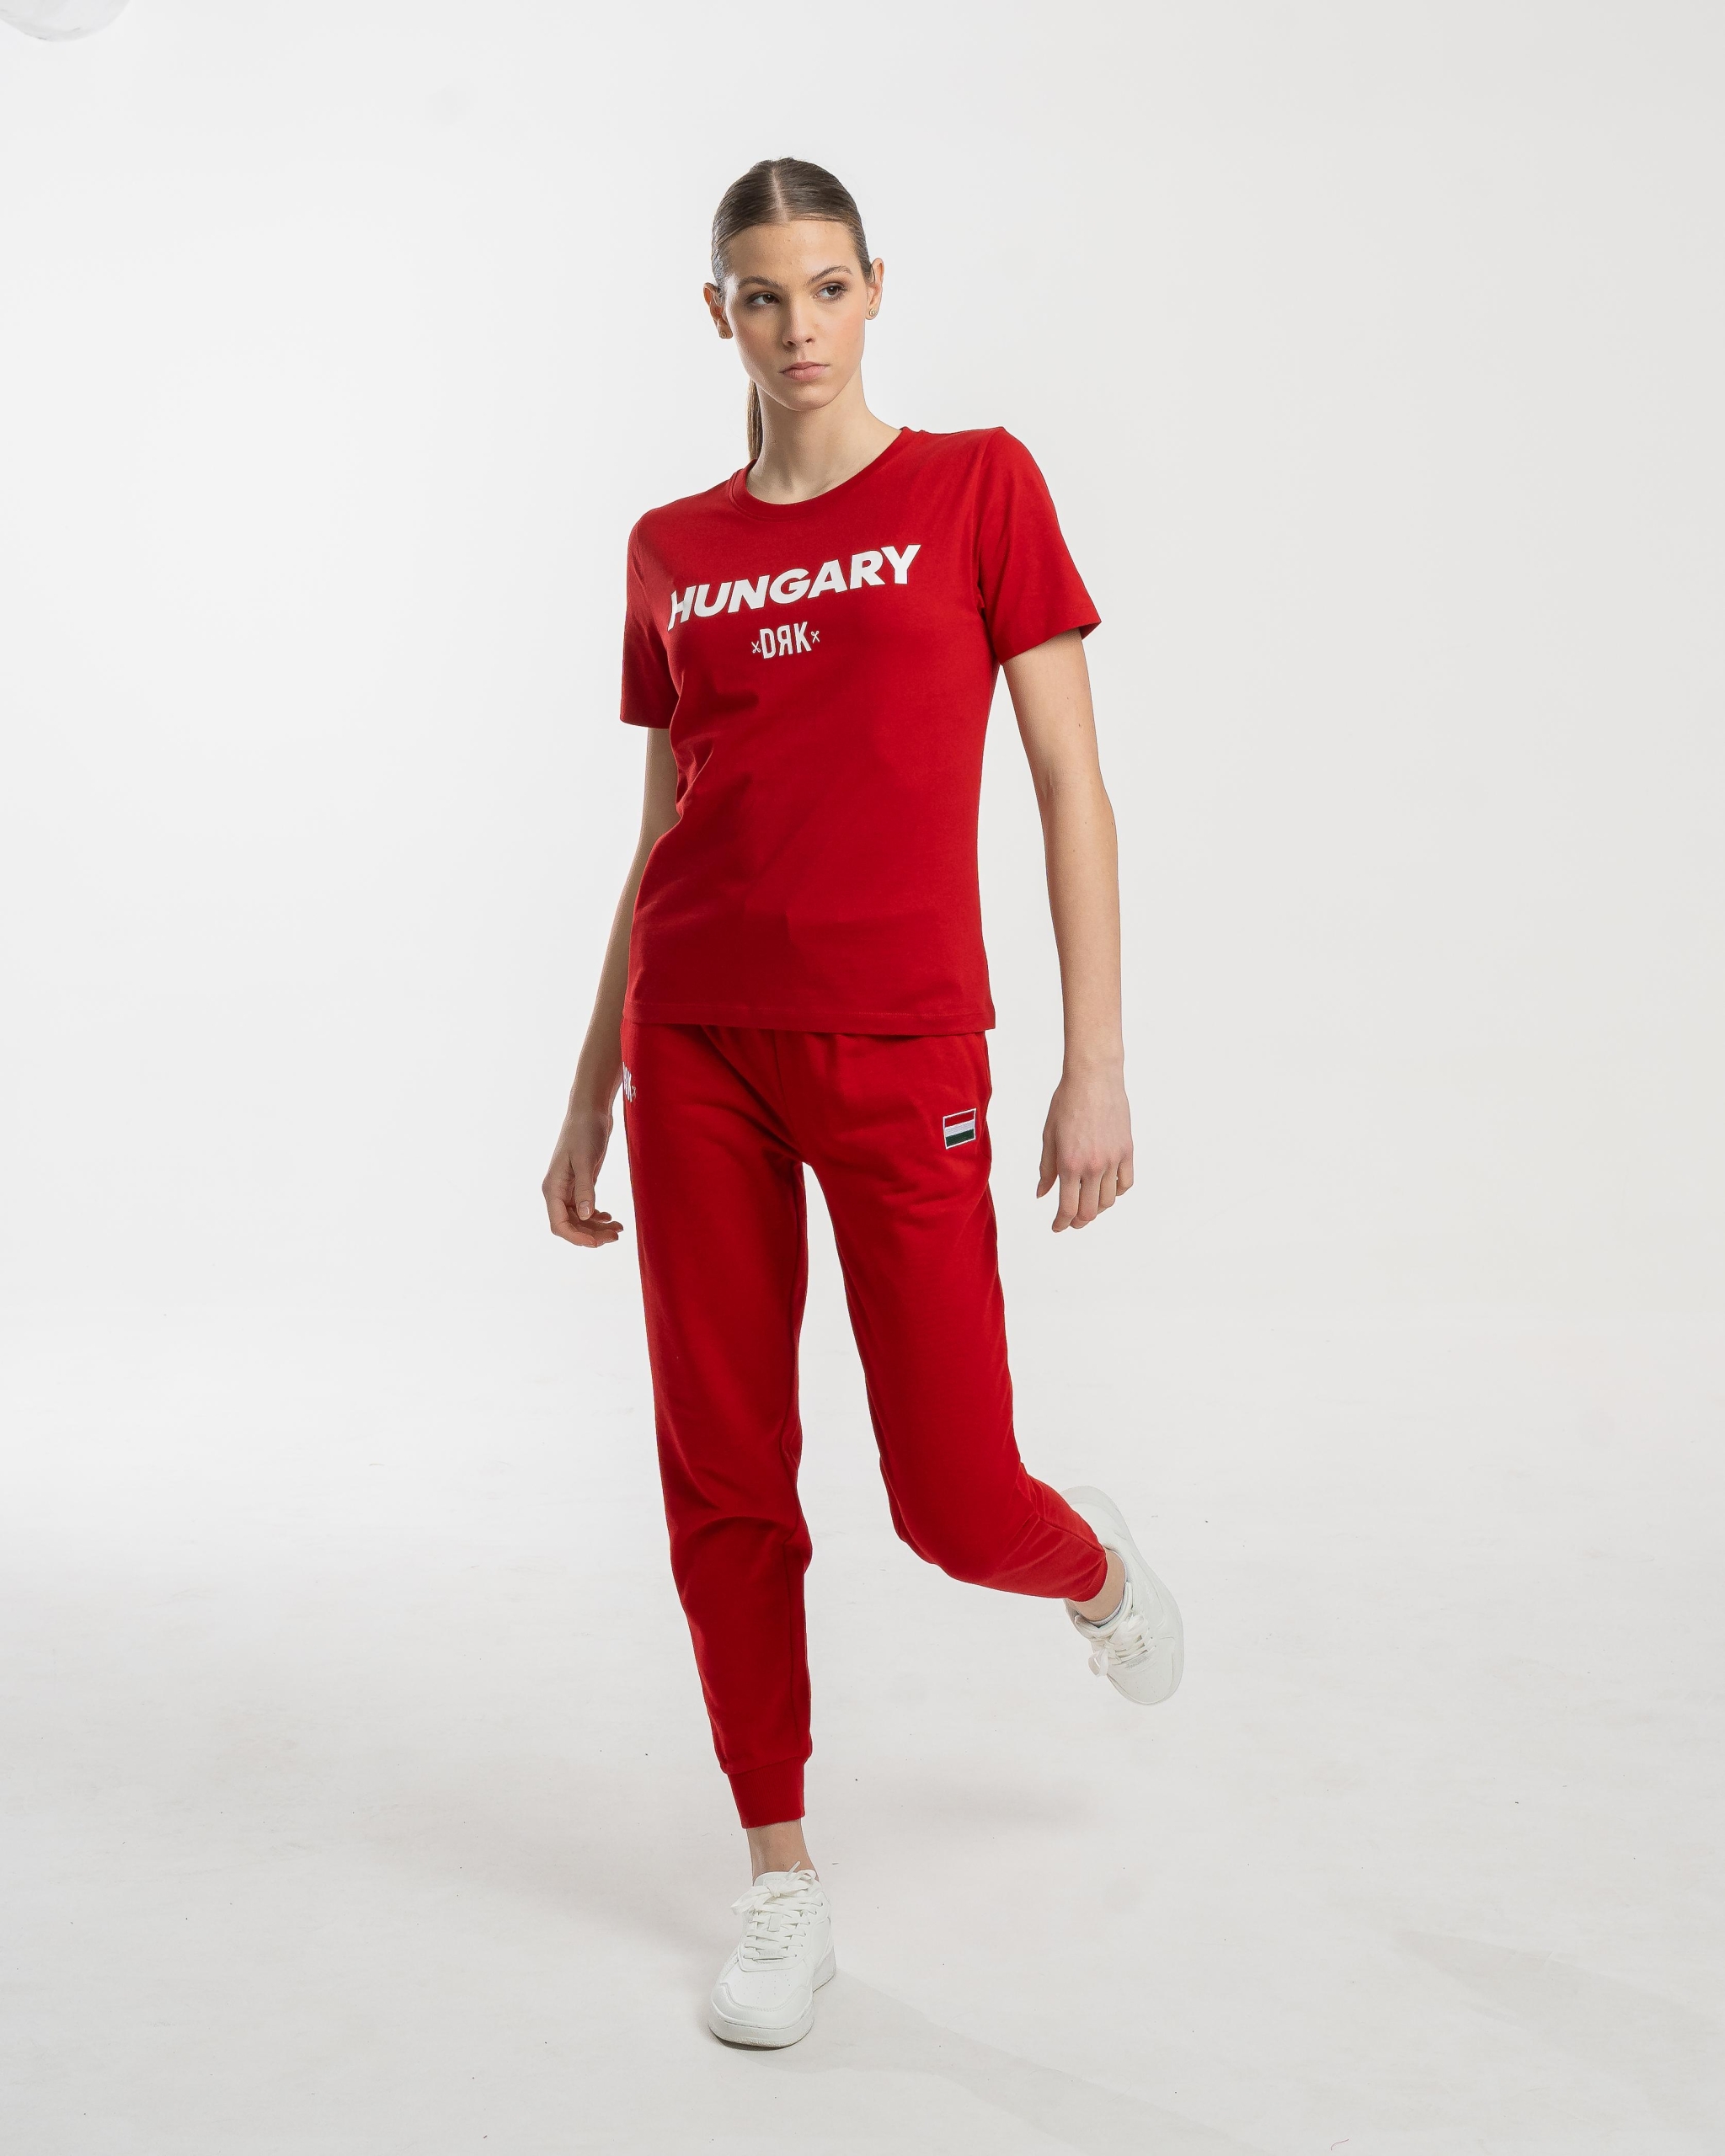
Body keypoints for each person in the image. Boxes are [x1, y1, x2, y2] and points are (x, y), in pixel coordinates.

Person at [542, 156, 1183, 2050]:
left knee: (954, 1495)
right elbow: (661, 834)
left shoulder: (977, 487)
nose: (798, 326)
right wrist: (588, 1086)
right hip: (697, 1045)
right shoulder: (672, 546)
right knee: (724, 1468)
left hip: (901, 1044)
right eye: (762, 294)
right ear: (717, 313)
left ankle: (1084, 1560)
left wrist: (1095, 1057)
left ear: (876, 288)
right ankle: (781, 1872)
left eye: (827, 287)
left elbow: (1069, 783)